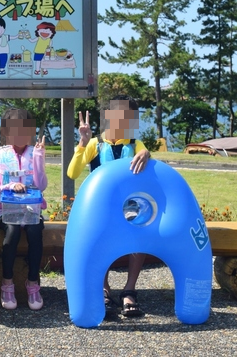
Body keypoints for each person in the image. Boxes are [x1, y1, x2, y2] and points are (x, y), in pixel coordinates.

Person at [66, 95, 151, 319]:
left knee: (140, 236)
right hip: (99, 208)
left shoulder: (135, 144)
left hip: (127, 208)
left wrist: (146, 153)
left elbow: (146, 159)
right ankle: (103, 289)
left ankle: (129, 290)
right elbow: (72, 173)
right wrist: (82, 143)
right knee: (98, 240)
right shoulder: (95, 144)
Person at [0, 107, 48, 310]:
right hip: (8, 212)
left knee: (35, 230)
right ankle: (7, 283)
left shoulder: (35, 154)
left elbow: (41, 186)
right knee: (11, 231)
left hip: (32, 212)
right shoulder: (0, 157)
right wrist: (9, 186)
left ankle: (33, 283)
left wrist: (39, 158)